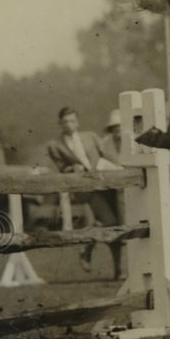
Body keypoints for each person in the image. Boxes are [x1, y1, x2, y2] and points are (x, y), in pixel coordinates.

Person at [46, 106, 124, 279]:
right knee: (111, 221)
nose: (69, 125)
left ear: (77, 122)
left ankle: (115, 268)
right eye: (65, 121)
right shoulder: (55, 145)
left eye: (72, 121)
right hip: (88, 189)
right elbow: (62, 169)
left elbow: (106, 156)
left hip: (108, 183)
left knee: (117, 223)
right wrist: (72, 167)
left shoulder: (90, 137)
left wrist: (122, 168)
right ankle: (88, 249)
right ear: (60, 123)